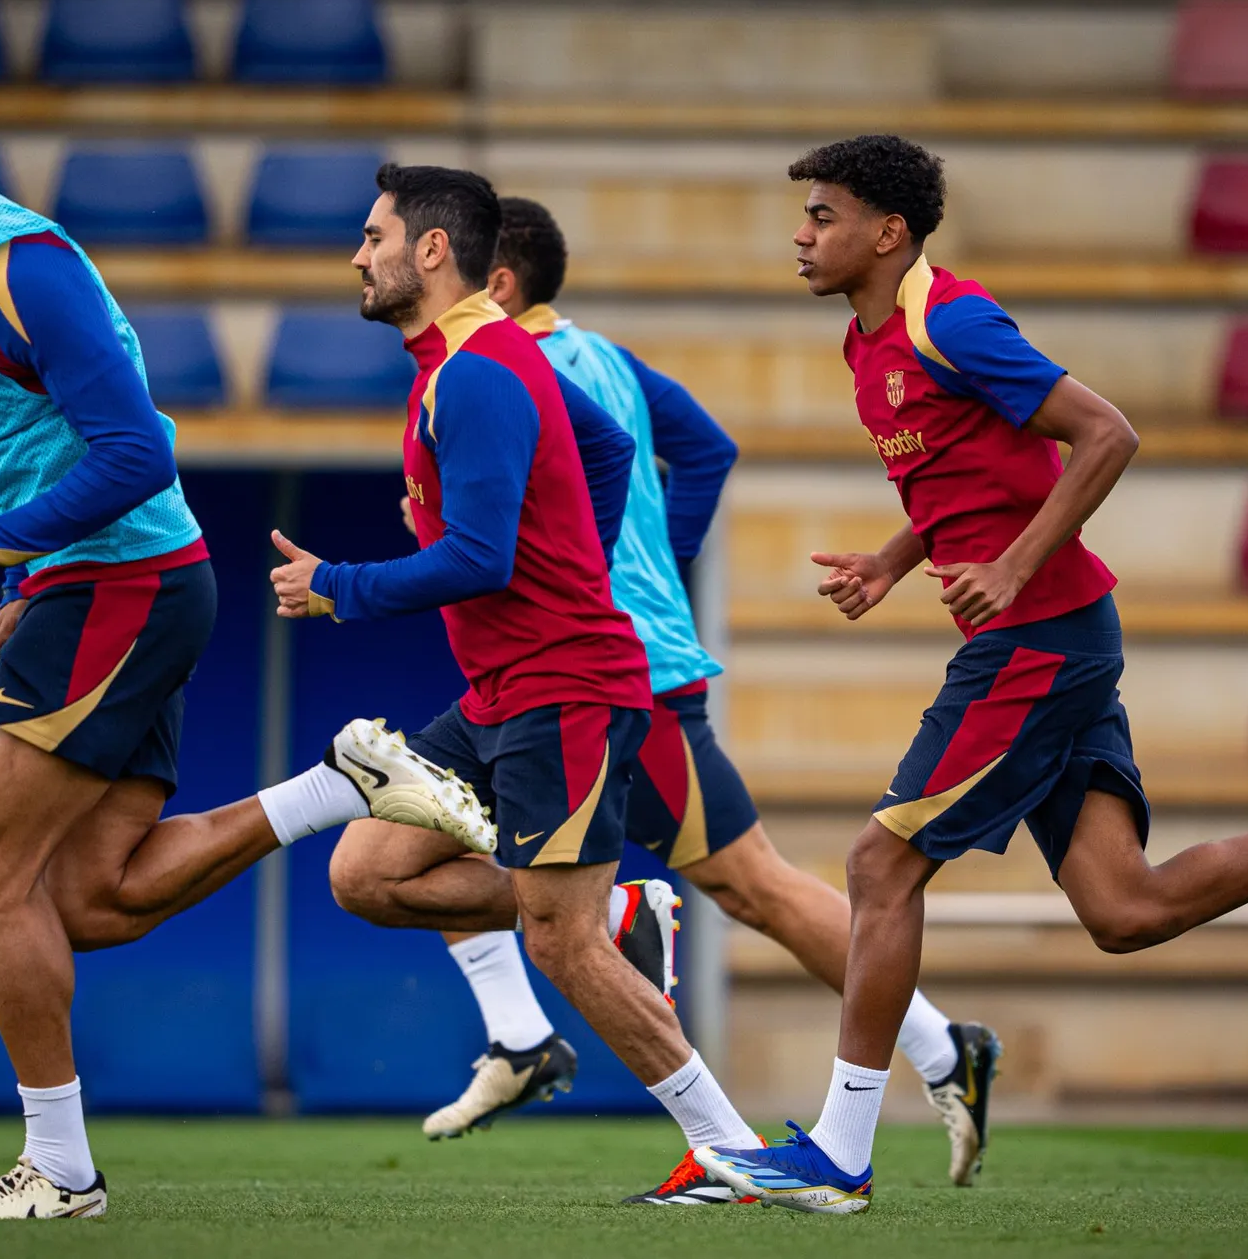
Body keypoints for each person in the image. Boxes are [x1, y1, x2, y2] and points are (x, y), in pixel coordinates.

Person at [696, 135, 1248, 1215]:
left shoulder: (953, 319)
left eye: (823, 217)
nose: (801, 236)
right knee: (1124, 911)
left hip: (1039, 642)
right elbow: (962, 473)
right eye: (804, 217)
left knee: (877, 868)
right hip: (1059, 637)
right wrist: (895, 562)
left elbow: (1106, 435)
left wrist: (1014, 565)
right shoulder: (870, 341)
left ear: (887, 233)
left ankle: (843, 1154)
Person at [0, 59, 491, 1221]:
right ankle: (340, 785)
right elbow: (48, 447)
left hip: (123, 586)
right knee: (90, 901)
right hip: (94, 584)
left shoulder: (22, 268)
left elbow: (138, 453)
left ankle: (62, 1173)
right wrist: (30, 565)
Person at [336, 195, 1002, 1199]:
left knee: (748, 885)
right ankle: (552, 1009)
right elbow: (708, 450)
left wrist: (593, 574)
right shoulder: (600, 356)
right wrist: (655, 556)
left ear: (491, 280)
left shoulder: (500, 370)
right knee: (425, 852)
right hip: (599, 657)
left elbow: (503, 537)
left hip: (611, 669)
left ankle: (923, 1053)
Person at [269, 164, 768, 1204]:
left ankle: (731, 1154)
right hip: (501, 692)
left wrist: (337, 587)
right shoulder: (473, 358)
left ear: (433, 250)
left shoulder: (480, 372)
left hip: (568, 687)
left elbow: (482, 560)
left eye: (373, 238)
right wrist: (570, 543)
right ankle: (614, 903)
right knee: (365, 873)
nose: (358, 257)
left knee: (558, 942)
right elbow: (610, 444)